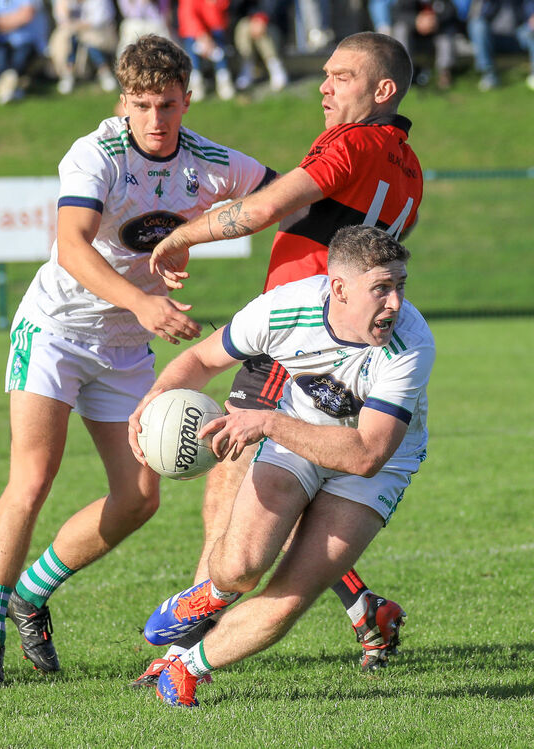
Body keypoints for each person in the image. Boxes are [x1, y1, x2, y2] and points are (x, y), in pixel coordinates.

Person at [0, 34, 277, 687]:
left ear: (188, 99)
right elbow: (73, 246)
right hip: (55, 328)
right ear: (121, 103)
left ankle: (30, 594)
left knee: (138, 498)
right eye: (141, 105)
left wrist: (194, 233)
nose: (155, 120)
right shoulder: (95, 154)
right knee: (33, 475)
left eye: (167, 104)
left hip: (127, 345)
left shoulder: (212, 163)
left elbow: (284, 198)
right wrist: (143, 302)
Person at [130, 31, 422, 686]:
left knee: (236, 500)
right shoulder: (409, 166)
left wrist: (183, 234)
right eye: (324, 73)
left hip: (299, 347)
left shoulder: (350, 142)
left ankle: (180, 658)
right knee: (266, 498)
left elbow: (262, 209)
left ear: (382, 91)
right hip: (330, 352)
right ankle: (362, 603)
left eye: (341, 76)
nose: (324, 85)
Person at [130, 224, 434, 707]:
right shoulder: (282, 308)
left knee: (289, 598)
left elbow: (366, 455)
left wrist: (269, 423)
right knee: (238, 568)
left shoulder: (411, 345)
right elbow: (201, 361)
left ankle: (185, 667)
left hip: (377, 468)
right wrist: (153, 401)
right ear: (338, 288)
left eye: (400, 286)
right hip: (297, 440)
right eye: (381, 289)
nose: (395, 303)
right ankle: (208, 596)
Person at [390, 0, 457, 89]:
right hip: (414, 33)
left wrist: (434, 20)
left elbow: (450, 11)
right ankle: (405, 69)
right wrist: (416, 20)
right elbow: (396, 14)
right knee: (400, 30)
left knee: (447, 32)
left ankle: (444, 71)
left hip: (436, 31)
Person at [49, 0, 118, 95]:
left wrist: (76, 25)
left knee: (87, 39)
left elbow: (99, 20)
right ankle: (67, 73)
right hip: (75, 36)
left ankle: (104, 71)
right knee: (68, 38)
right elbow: (61, 19)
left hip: (100, 35)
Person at [177, 0, 235, 101]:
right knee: (191, 48)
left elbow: (219, 24)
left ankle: (223, 79)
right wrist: (203, 36)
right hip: (194, 35)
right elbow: (189, 17)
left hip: (214, 35)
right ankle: (196, 83)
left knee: (219, 44)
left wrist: (212, 2)